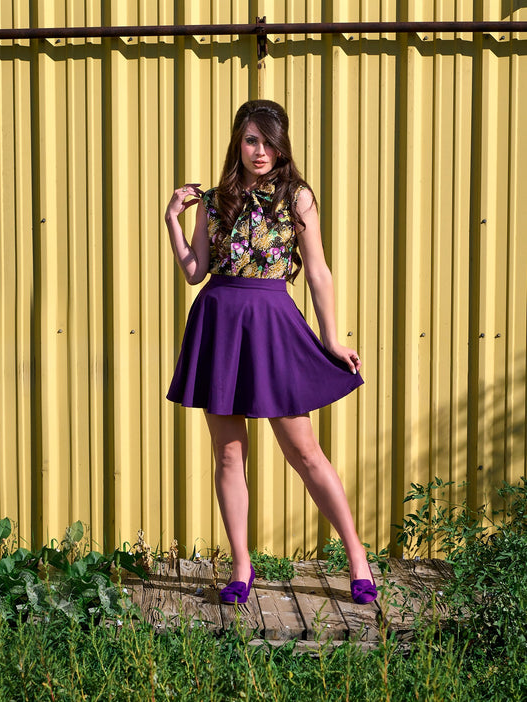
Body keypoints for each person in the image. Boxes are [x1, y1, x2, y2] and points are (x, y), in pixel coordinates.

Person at [164, 99, 377, 606]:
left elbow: (318, 271)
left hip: (273, 324)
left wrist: (330, 337)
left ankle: (357, 559)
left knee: (304, 452)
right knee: (228, 454)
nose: (260, 151)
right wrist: (173, 220)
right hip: (220, 323)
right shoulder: (215, 201)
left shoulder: (296, 197)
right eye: (251, 140)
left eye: (269, 141)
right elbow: (196, 272)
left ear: (282, 145)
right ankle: (241, 566)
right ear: (238, 142)